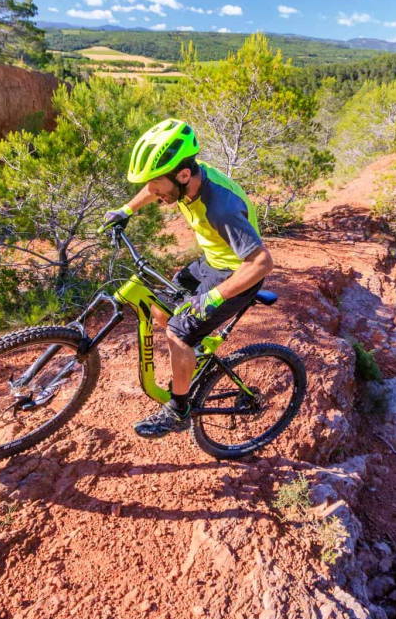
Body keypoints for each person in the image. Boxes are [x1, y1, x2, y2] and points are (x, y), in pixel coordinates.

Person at [103, 119, 274, 439]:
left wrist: (213, 298)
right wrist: (126, 209)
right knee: (159, 307)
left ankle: (179, 409)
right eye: (152, 187)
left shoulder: (219, 208)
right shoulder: (187, 176)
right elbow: (154, 186)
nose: (153, 193)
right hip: (211, 262)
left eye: (157, 187)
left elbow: (262, 262)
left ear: (182, 176)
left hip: (238, 275)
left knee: (179, 332)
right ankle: (194, 356)